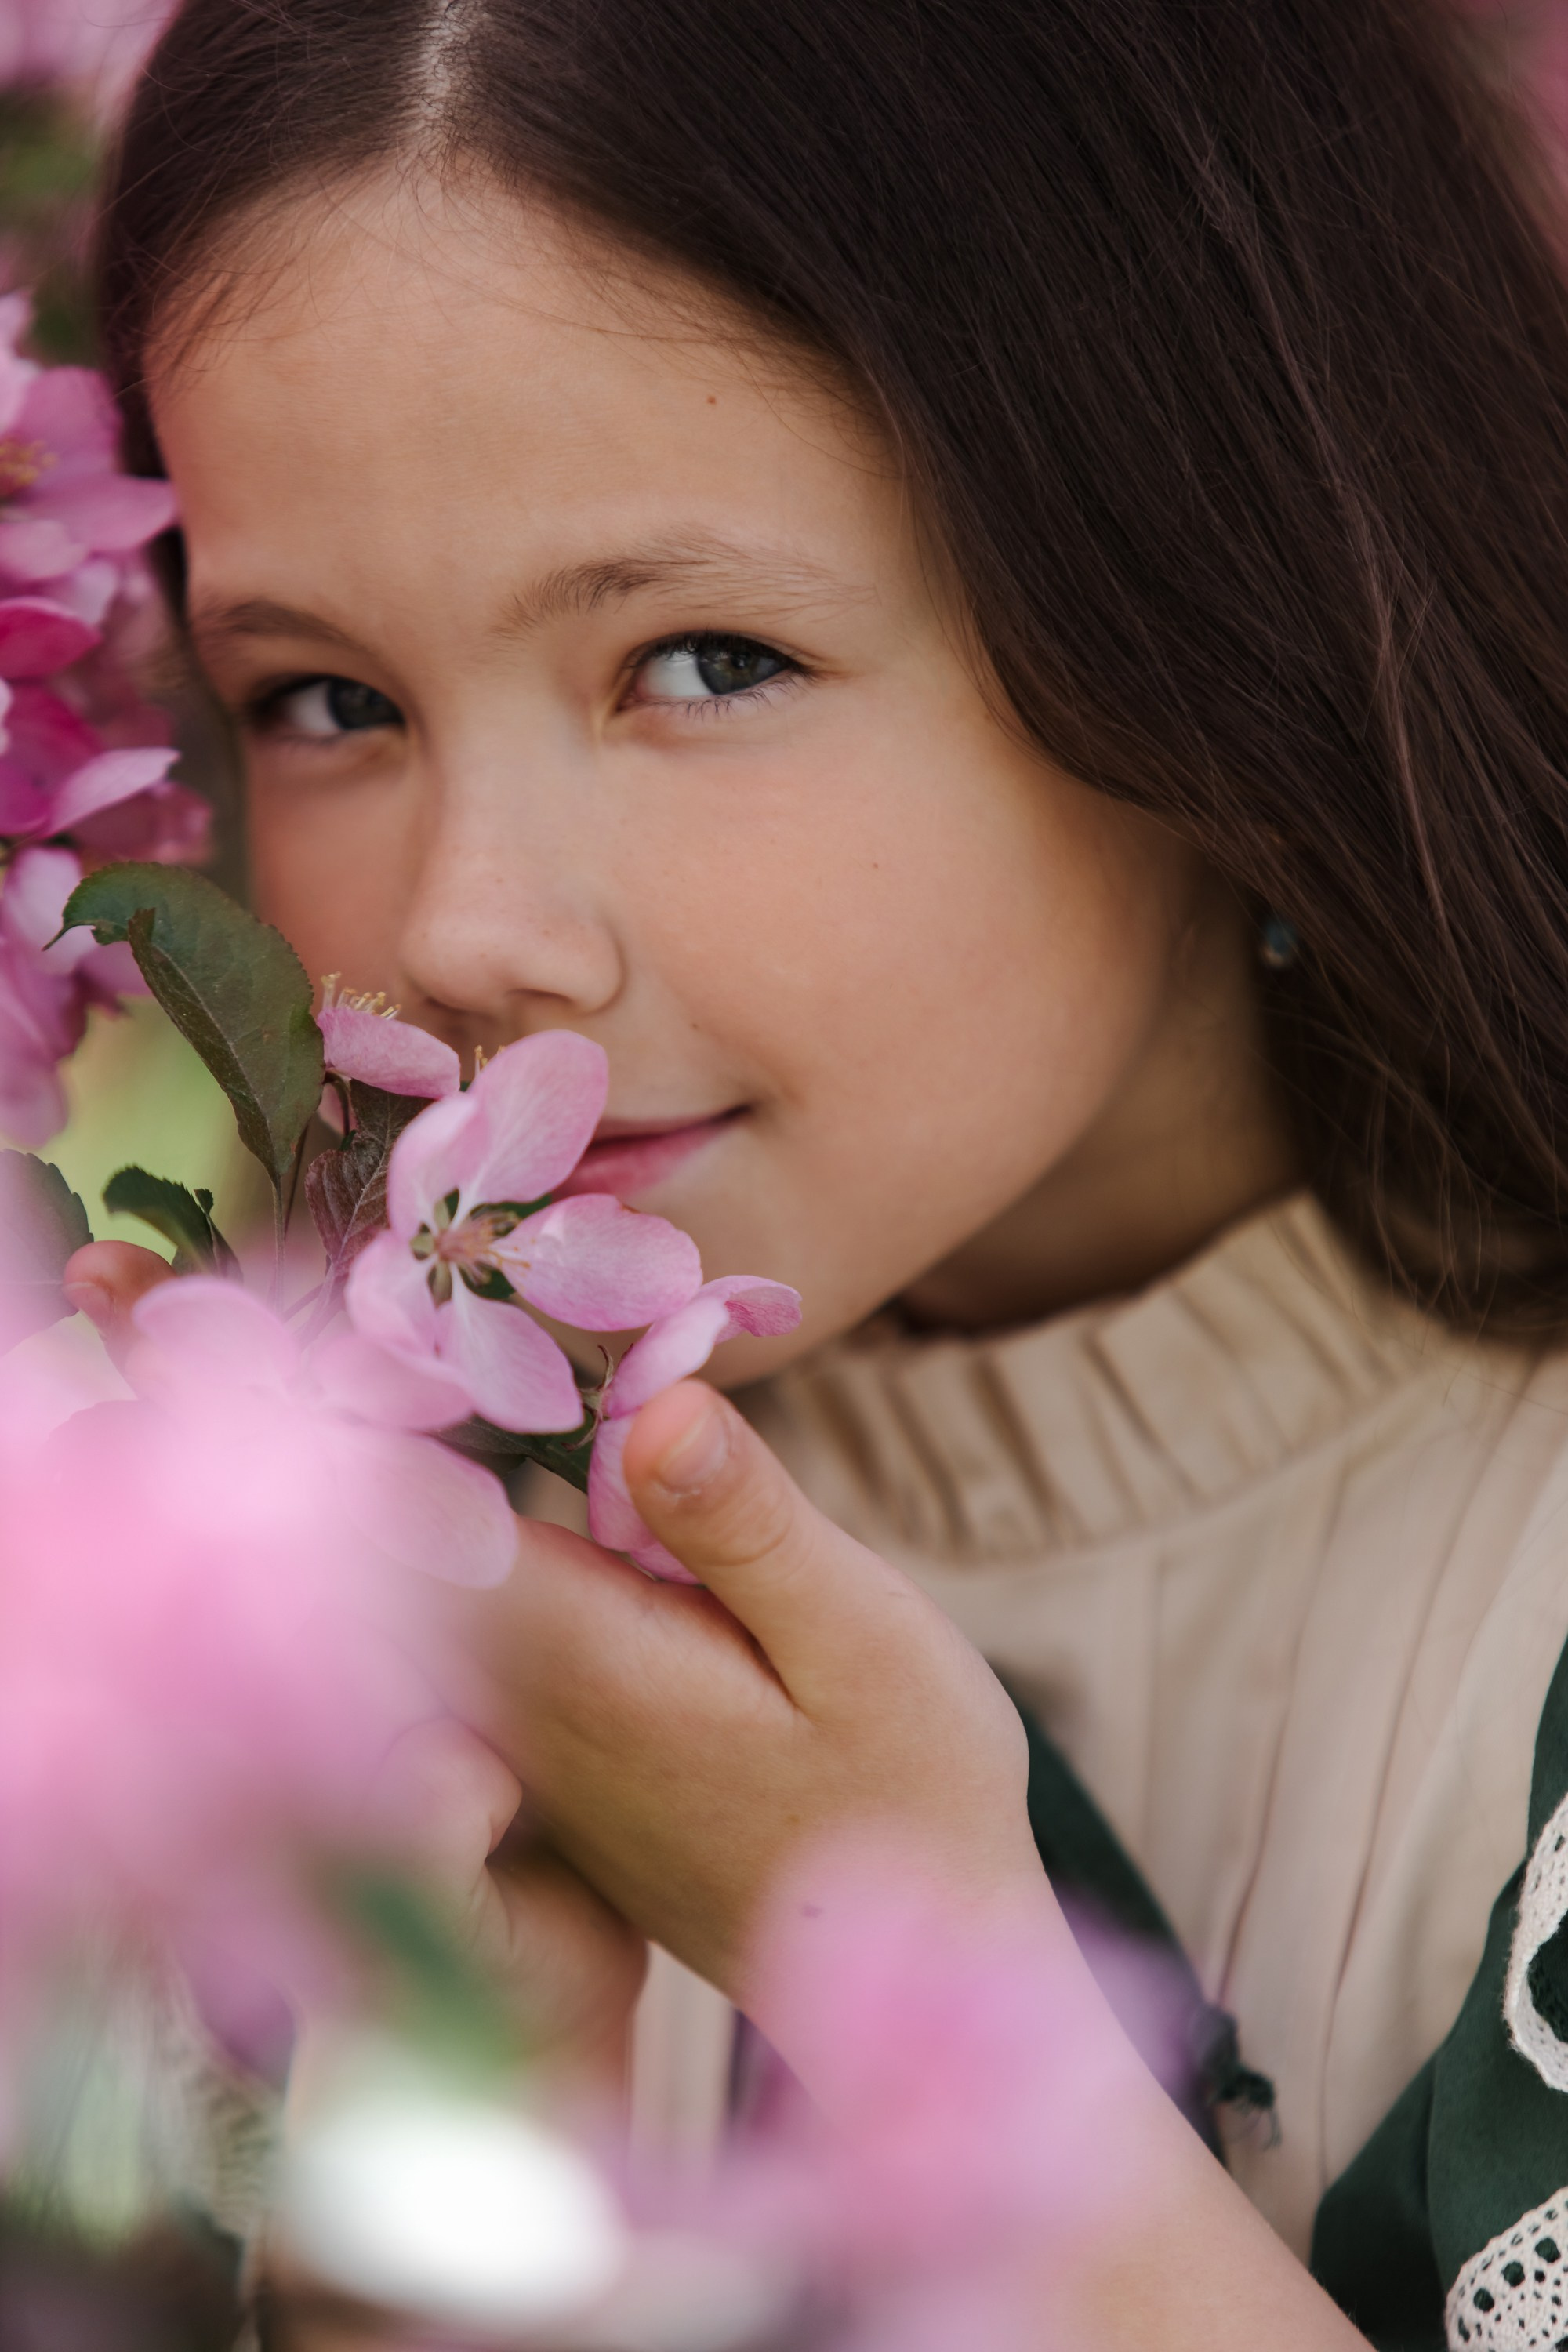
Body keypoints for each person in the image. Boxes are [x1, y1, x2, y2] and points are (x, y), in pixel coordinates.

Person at [64, 0, 1568, 2339]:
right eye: (329, 702)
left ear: (1217, 601)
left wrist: (887, 1967)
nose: (470, 927)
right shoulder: (378, 1651)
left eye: (702, 661)